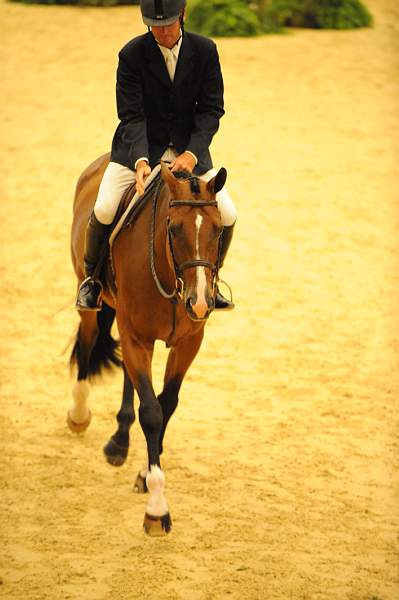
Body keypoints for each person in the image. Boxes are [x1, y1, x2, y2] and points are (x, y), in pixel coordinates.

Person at [76, 0, 237, 311]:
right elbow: (131, 115)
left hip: (190, 152)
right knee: (106, 207)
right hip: (138, 149)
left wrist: (192, 152)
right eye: (154, 25)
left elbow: (211, 109)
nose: (161, 32)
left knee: (228, 213)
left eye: (168, 24)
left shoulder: (205, 51)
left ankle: (211, 282)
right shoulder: (131, 54)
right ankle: (91, 281)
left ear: (183, 15)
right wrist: (139, 161)